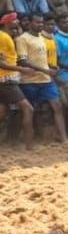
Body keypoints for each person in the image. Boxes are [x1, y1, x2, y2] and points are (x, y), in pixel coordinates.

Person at [16, 13, 68, 142]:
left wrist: (51, 66)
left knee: (57, 106)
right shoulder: (23, 39)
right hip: (29, 81)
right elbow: (23, 61)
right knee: (30, 111)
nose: (40, 25)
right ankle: (28, 138)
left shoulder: (41, 38)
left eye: (41, 23)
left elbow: (41, 59)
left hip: (45, 80)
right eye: (37, 22)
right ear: (30, 23)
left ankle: (64, 137)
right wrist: (45, 70)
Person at [0, 12, 36, 148]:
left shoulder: (6, 36)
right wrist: (23, 70)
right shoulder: (3, 37)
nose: (18, 22)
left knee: (2, 111)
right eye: (14, 20)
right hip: (6, 80)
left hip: (5, 79)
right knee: (28, 109)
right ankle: (29, 146)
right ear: (7, 22)